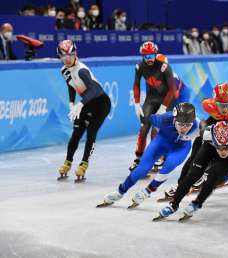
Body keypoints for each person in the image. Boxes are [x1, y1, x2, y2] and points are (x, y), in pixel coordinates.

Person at [97, 103, 199, 208]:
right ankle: (120, 192)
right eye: (181, 124)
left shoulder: (199, 126)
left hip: (180, 148)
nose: (184, 128)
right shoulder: (163, 119)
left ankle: (147, 191)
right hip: (161, 142)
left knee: (170, 165)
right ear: (174, 119)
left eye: (188, 125)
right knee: (142, 169)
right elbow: (149, 120)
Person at [162, 83, 228, 200]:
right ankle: (181, 185)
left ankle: (213, 177)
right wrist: (204, 131)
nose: (224, 109)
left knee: (224, 159)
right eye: (220, 104)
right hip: (211, 130)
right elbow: (204, 119)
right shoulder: (208, 105)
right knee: (194, 156)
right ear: (214, 102)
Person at [155, 121, 228, 221]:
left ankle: (196, 203)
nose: (222, 152)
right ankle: (173, 205)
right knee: (192, 174)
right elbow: (199, 133)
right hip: (211, 147)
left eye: (225, 148)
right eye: (220, 148)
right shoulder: (206, 133)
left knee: (213, 175)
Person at [56, 40, 111, 182]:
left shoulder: (82, 70)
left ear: (75, 54)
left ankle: (84, 164)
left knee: (91, 131)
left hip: (101, 103)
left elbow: (95, 90)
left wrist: (80, 104)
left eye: (70, 56)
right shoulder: (63, 70)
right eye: (64, 57)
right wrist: (70, 103)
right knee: (76, 133)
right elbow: (71, 85)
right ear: (60, 57)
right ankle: (67, 162)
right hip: (86, 102)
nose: (67, 60)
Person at [129, 41, 177, 172]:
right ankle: (138, 158)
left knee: (156, 129)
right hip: (151, 99)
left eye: (152, 56)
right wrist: (137, 104)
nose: (149, 59)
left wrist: (163, 107)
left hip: (166, 100)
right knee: (144, 128)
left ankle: (157, 156)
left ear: (156, 55)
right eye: (146, 56)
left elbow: (172, 89)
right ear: (142, 56)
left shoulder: (164, 67)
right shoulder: (139, 67)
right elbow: (136, 85)